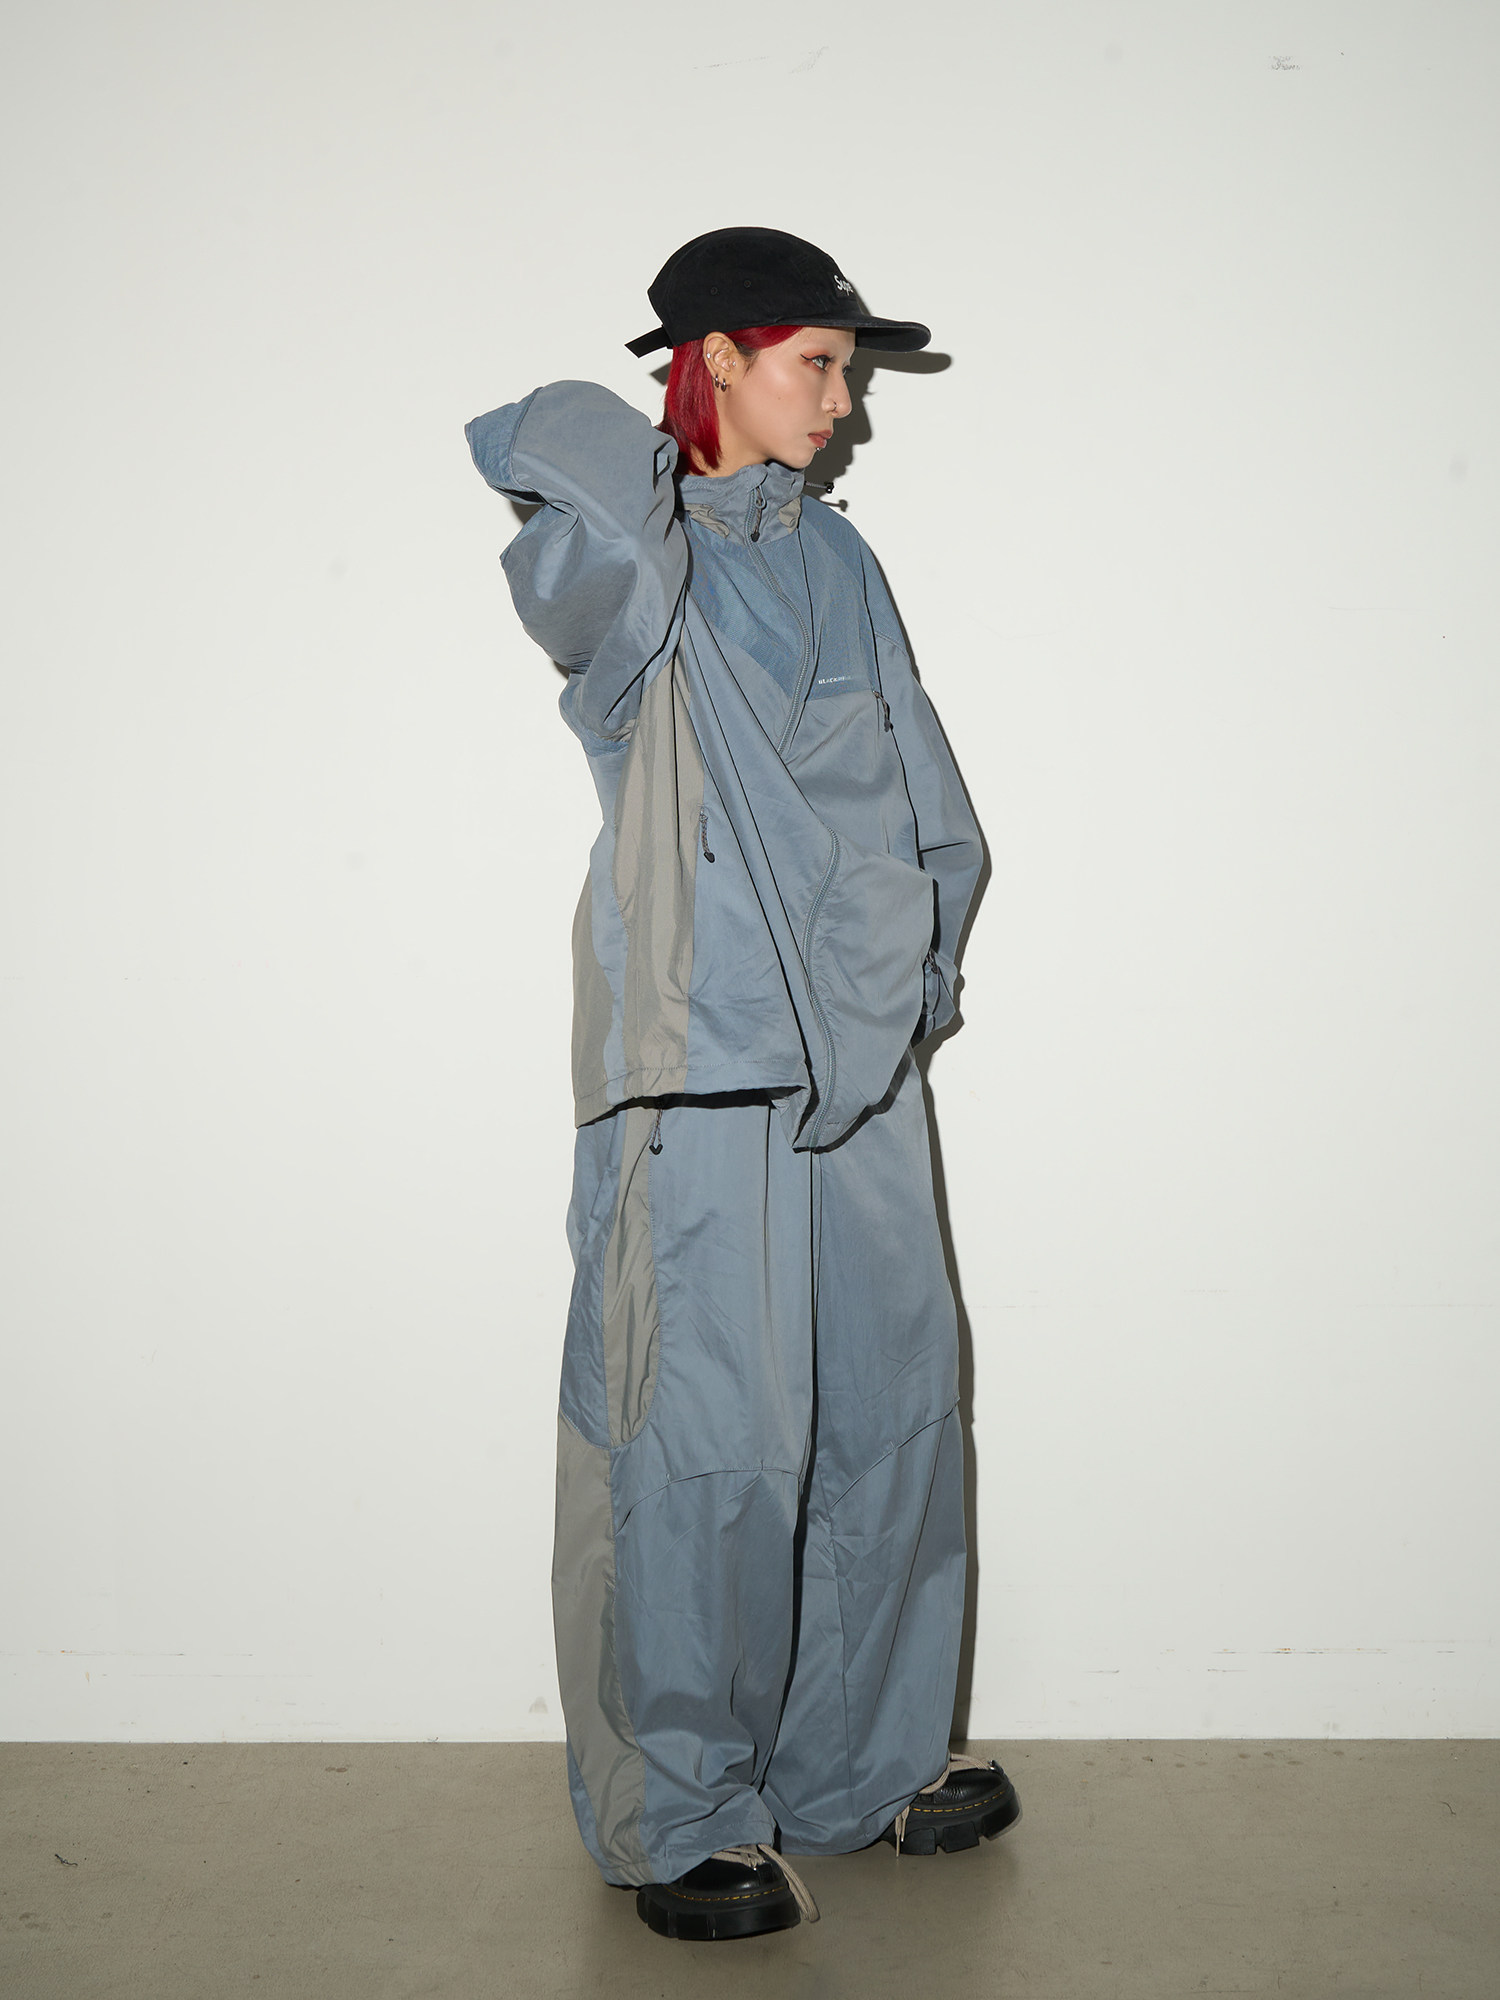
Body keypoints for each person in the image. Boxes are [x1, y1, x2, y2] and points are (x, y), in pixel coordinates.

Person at [465, 226, 1018, 1942]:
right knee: (699, 1445)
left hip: (862, 1071)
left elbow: (923, 783)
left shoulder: (839, 560)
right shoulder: (628, 565)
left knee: (891, 1414)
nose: (847, 406)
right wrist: (668, 441)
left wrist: (916, 982)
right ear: (716, 357)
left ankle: (864, 1767)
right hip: (700, 1074)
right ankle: (684, 1809)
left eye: (848, 370)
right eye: (819, 364)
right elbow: (540, 444)